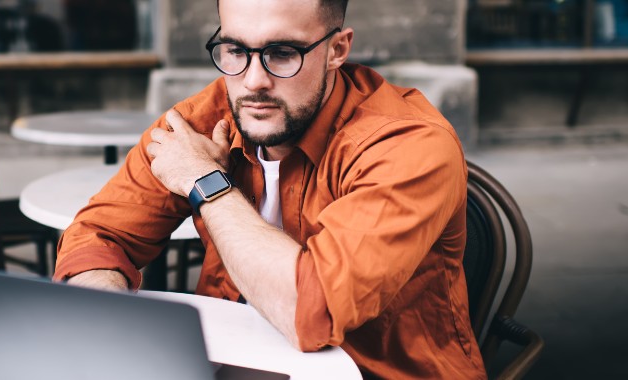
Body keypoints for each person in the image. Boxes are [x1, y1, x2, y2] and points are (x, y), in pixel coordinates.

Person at [53, 0, 487, 378]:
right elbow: (97, 235)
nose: (254, 80)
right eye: (236, 50)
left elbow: (310, 313)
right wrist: (110, 324)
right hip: (240, 365)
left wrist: (208, 185)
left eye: (282, 53)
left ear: (337, 50)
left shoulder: (409, 144)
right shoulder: (215, 113)